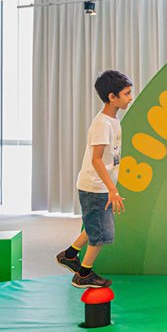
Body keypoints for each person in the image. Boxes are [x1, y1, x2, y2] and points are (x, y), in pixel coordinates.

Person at [55, 70, 133, 288]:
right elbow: (96, 160)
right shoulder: (102, 124)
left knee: (94, 225)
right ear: (112, 97)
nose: (130, 98)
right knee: (102, 233)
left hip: (101, 186)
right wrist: (112, 189)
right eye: (126, 94)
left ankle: (70, 255)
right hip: (95, 187)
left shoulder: (113, 120)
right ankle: (83, 275)